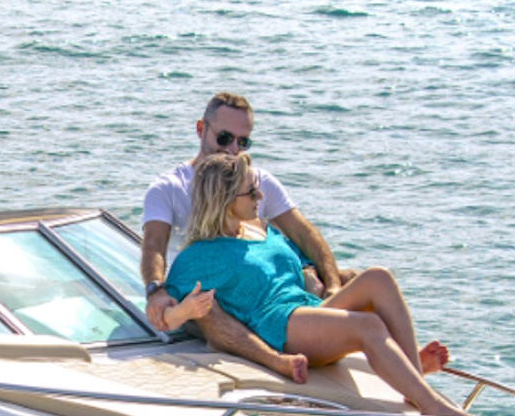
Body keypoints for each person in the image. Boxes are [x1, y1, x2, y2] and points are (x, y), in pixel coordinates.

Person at [162, 152, 469, 416]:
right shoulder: (198, 257)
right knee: (369, 325)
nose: (260, 197)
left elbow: (303, 263)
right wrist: (181, 311)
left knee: (379, 277)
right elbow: (168, 312)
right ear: (226, 201)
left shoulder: (261, 230)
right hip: (281, 328)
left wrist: (321, 280)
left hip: (308, 309)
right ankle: (431, 405)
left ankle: (415, 381)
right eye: (252, 192)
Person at [140, 92, 355, 380]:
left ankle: (387, 354)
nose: (232, 149)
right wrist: (156, 290)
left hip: (256, 289)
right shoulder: (168, 188)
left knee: (355, 278)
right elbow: (153, 245)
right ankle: (276, 360)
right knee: (206, 304)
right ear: (201, 129)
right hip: (203, 297)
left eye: (243, 142)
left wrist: (331, 284)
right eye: (225, 138)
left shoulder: (256, 181)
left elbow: (303, 234)